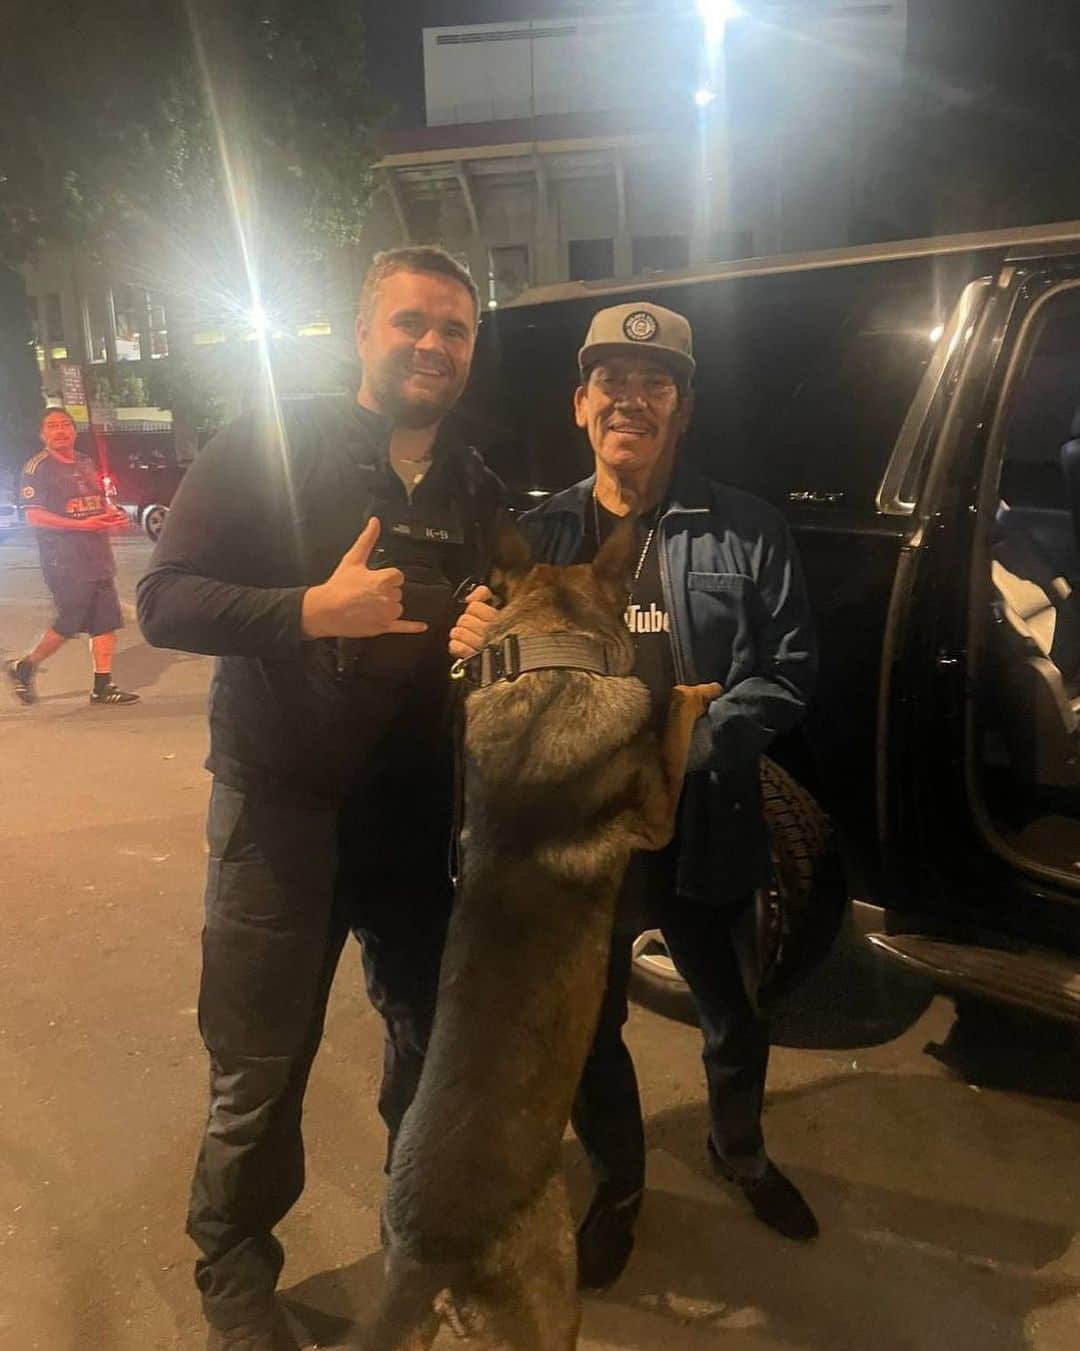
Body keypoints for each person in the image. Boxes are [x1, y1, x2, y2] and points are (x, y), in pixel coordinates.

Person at [137, 246, 502, 1351]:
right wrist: (307, 610)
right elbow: (162, 599)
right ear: (362, 331)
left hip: (411, 822)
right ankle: (235, 1271)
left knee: (425, 1047)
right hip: (279, 814)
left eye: (455, 332)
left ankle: (417, 1235)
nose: (433, 346)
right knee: (260, 1063)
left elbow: (482, 623)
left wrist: (488, 639)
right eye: (413, 323)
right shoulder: (269, 444)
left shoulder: (473, 488)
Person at [450, 300, 819, 1290]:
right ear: (581, 405)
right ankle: (618, 1187)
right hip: (578, 837)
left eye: (655, 384)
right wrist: (470, 653)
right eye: (610, 382)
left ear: (682, 410)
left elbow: (787, 671)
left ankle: (738, 1151)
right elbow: (490, 677)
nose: (631, 398)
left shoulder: (747, 528)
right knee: (588, 1027)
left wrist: (686, 747)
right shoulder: (534, 536)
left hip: (706, 820)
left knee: (736, 1011)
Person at [7, 407, 139, 706]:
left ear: (74, 430)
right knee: (71, 618)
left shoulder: (84, 461)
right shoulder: (37, 468)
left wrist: (112, 514)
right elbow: (35, 517)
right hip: (64, 558)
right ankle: (24, 666)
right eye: (53, 426)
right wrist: (80, 525)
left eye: (65, 425)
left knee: (106, 621)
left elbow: (98, 502)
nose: (61, 430)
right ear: (43, 434)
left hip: (98, 554)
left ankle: (103, 686)